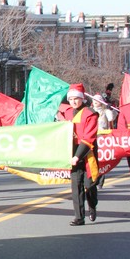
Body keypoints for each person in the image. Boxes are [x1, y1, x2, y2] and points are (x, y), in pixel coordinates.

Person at [57, 83, 99, 226]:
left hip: (87, 153)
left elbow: (89, 138)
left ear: (82, 98)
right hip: (72, 152)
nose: (73, 102)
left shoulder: (90, 113)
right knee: (76, 185)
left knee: (90, 185)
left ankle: (92, 206)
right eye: (71, 99)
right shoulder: (67, 112)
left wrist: (78, 156)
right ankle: (79, 217)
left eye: (76, 98)